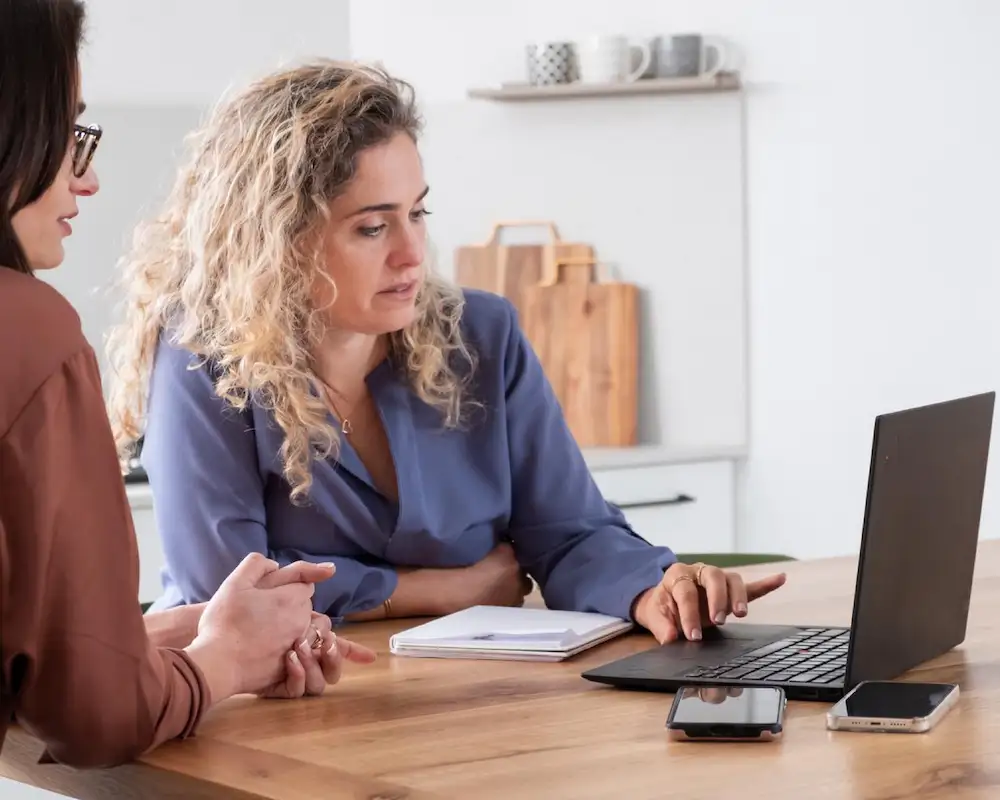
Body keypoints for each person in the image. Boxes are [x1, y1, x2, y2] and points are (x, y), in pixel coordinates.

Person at [105, 59, 786, 647]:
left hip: (460, 712)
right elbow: (228, 593)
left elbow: (572, 533)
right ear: (276, 241)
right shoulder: (203, 358)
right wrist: (435, 590)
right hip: (262, 711)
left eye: (417, 214)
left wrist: (655, 588)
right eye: (372, 227)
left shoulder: (482, 337)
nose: (411, 254)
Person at [0, 0, 374, 770]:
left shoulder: (483, 332)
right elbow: (97, 717)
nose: (89, 176)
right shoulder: (31, 333)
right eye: (68, 132)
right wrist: (223, 662)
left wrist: (135, 643)